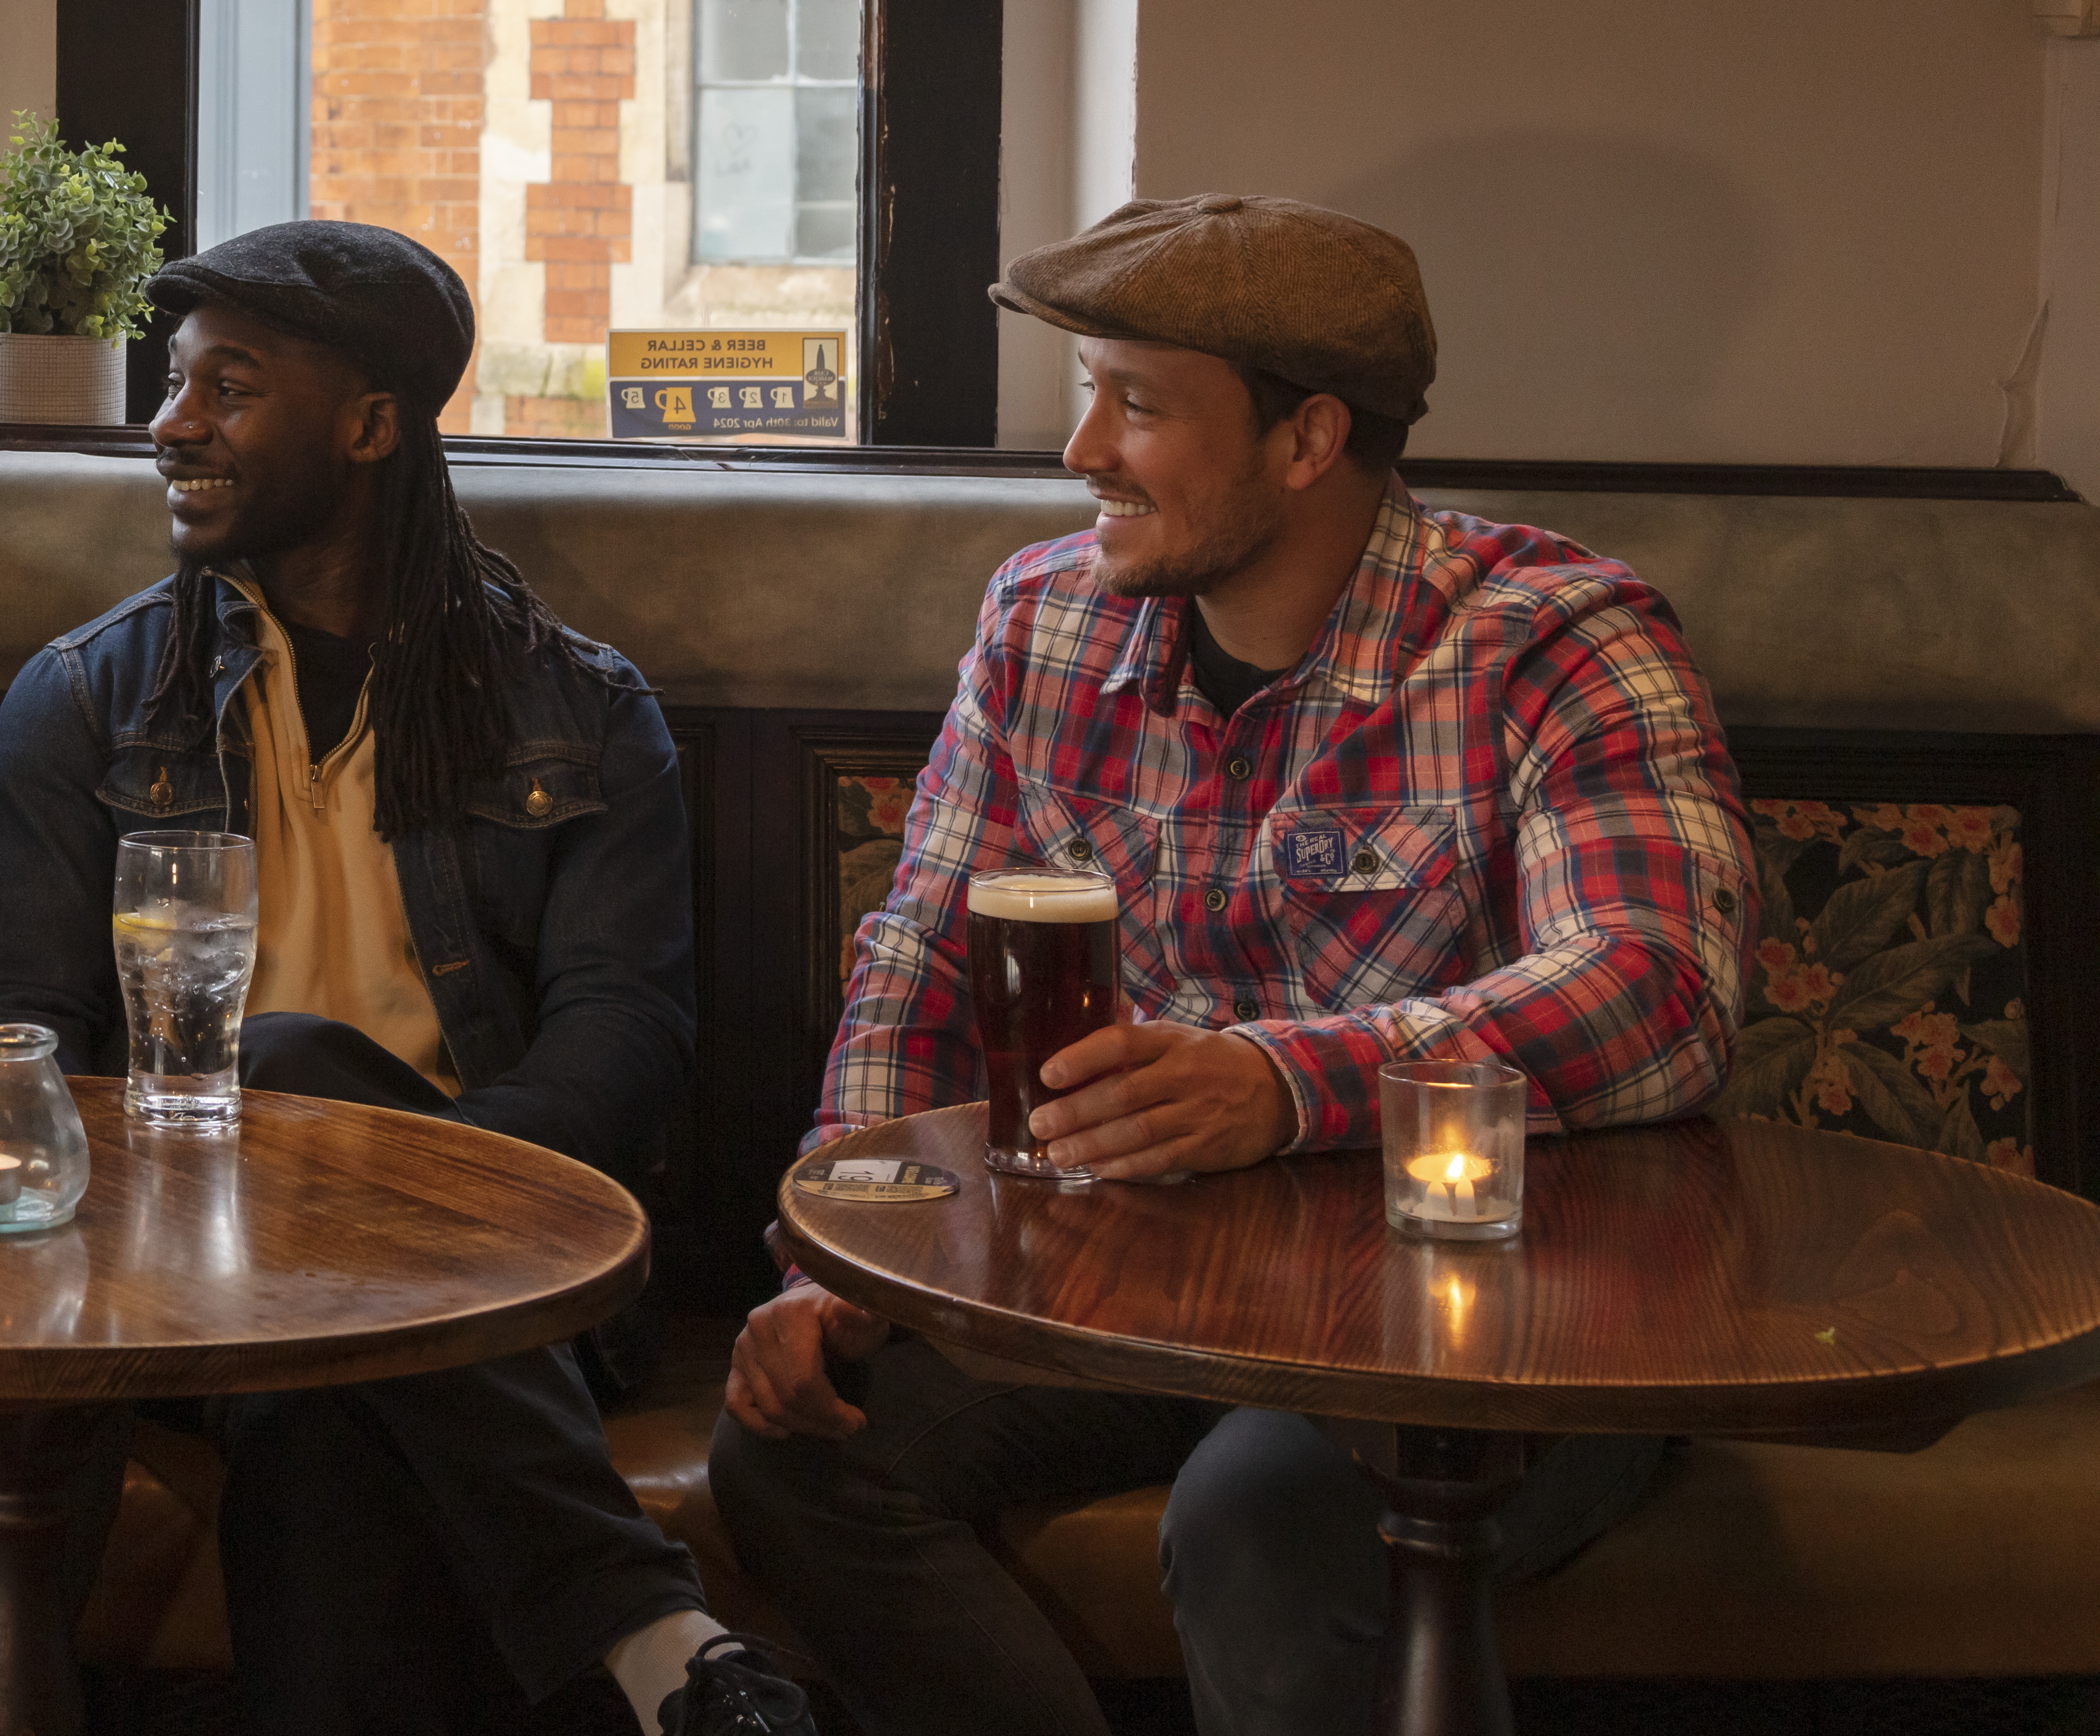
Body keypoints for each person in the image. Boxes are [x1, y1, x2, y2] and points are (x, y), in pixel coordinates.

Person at [711, 193, 1758, 1736]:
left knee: (1263, 1522)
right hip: (1140, 1285)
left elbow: (1656, 991)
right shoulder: (1045, 619)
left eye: (1135, 405)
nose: (1082, 454)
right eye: (1090, 396)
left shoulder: (1555, 637)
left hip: (1476, 1316)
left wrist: (1282, 1087)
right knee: (799, 1446)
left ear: (1309, 438)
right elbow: (921, 968)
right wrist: (839, 1269)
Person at [0, 220, 812, 1736]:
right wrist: (285, 1193)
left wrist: (385, 1211)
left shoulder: (578, 708)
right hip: (169, 1272)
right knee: (283, 1112)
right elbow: (16, 1043)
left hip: (507, 1284)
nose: (172, 423)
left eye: (228, 386)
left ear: (368, 426)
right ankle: (654, 1634)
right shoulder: (86, 699)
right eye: (171, 382)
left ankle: (622, 1611)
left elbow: (625, 1039)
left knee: (319, 1385)